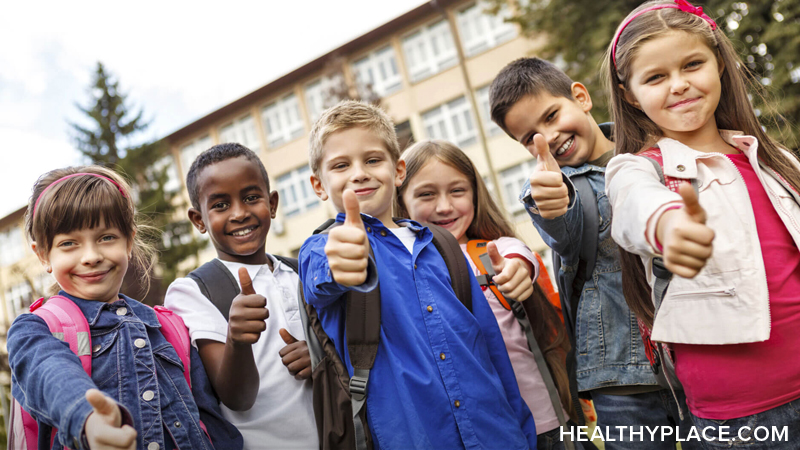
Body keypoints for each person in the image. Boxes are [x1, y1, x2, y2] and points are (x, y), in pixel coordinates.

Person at [604, 1, 800, 447]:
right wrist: (670, 226)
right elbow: (637, 206)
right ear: (631, 94)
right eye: (655, 77)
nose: (679, 85)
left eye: (693, 64)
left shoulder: (776, 161)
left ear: (720, 66)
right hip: (742, 418)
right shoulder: (636, 169)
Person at [299, 100, 538, 450]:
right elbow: (324, 275)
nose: (359, 172)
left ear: (397, 171)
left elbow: (491, 348)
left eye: (372, 160)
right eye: (340, 165)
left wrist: (521, 431)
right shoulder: (321, 248)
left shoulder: (442, 245)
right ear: (319, 185)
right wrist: (343, 263)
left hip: (497, 435)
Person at [490, 57, 694, 449]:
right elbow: (562, 230)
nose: (546, 138)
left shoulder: (655, 152)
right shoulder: (555, 186)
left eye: (551, 116)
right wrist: (552, 205)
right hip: (621, 377)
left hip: (695, 351)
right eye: (528, 137)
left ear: (580, 97)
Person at [7, 166, 242, 450]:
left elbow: (212, 423)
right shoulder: (34, 328)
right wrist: (89, 419)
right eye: (69, 244)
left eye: (106, 238)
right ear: (43, 255)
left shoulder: (170, 327)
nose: (91, 256)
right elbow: (48, 371)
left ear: (129, 241)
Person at [396, 139, 576, 450]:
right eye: (426, 194)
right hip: (470, 434)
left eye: (457, 191)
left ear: (476, 194)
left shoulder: (494, 250)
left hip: (543, 425)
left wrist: (517, 272)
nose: (444, 206)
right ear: (401, 201)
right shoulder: (398, 271)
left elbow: (519, 258)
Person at [163, 143, 318, 450]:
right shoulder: (192, 292)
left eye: (251, 197)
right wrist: (237, 339)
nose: (239, 213)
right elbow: (237, 398)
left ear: (272, 203)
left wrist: (320, 359)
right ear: (198, 220)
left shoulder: (303, 273)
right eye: (220, 205)